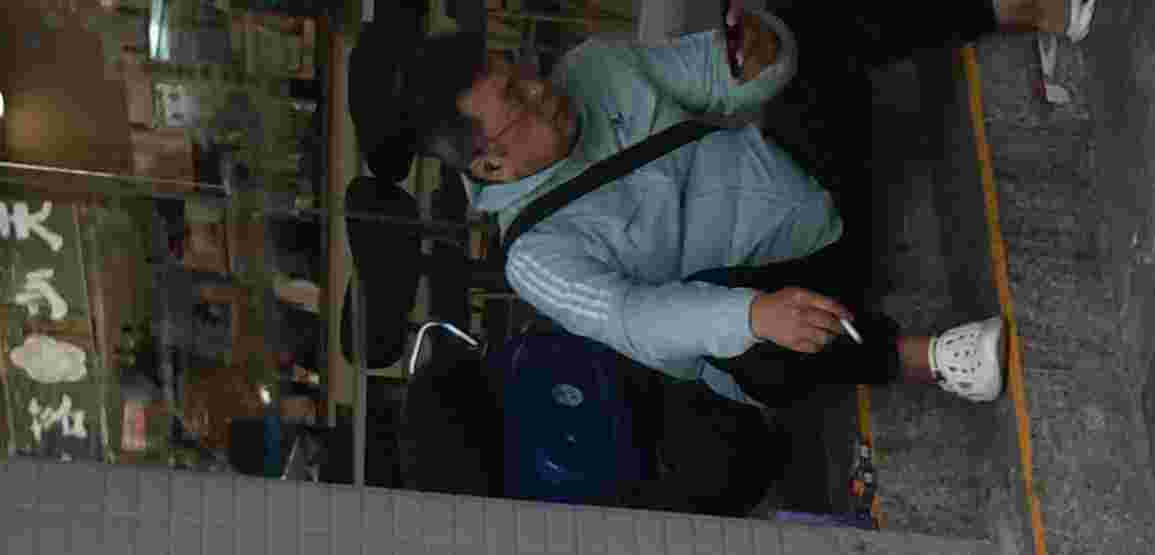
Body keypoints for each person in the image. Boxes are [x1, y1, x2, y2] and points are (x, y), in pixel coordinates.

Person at [403, 18, 1030, 413]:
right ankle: (929, 360)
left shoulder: (594, 66)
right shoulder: (535, 257)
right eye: (519, 101)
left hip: (806, 188)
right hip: (796, 298)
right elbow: (635, 319)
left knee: (809, 14)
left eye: (521, 73)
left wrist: (758, 52)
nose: (541, 89)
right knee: (730, 331)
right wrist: (751, 314)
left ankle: (1006, 7)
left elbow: (719, 75)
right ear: (490, 165)